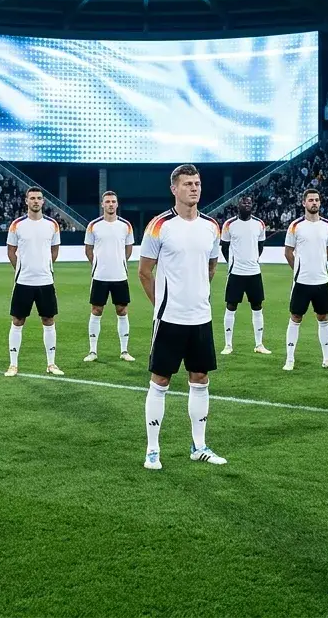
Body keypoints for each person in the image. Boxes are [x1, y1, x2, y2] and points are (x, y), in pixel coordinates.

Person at [138, 164, 227, 470]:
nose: (194, 188)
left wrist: (196, 295)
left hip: (200, 317)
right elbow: (144, 272)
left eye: (197, 183)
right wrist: (161, 305)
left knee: (200, 379)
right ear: (174, 189)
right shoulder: (159, 225)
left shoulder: (211, 226)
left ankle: (198, 446)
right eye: (188, 184)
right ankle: (152, 450)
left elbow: (211, 266)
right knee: (160, 380)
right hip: (169, 318)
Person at [6, 187, 63, 377]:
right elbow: (11, 251)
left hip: (45, 281)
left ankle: (51, 364)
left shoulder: (52, 224)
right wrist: (22, 269)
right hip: (23, 281)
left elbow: (54, 250)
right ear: (26, 201)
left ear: (43, 201)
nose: (36, 201)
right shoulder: (17, 225)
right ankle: (13, 365)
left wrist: (44, 266)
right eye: (32, 198)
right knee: (17, 321)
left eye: (39, 198)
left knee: (49, 320)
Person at [283, 189, 328, 372]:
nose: (314, 203)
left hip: (321, 280)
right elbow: (288, 252)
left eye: (316, 200)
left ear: (320, 203)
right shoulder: (295, 226)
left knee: (324, 318)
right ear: (304, 203)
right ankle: (289, 359)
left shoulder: (327, 225)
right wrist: (299, 269)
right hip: (301, 281)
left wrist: (318, 265)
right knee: (295, 317)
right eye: (310, 200)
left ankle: (327, 359)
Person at [83, 191, 136, 363]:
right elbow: (88, 250)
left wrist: (118, 262)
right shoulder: (93, 225)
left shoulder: (126, 225)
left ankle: (124, 351)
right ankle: (92, 351)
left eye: (113, 201)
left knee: (122, 311)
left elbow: (128, 249)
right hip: (100, 276)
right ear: (102, 204)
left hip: (119, 275)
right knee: (96, 311)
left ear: (117, 204)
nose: (111, 204)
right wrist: (99, 264)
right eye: (107, 201)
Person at [220, 195, 270, 356]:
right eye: (243, 202)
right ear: (238, 205)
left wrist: (252, 260)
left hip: (254, 272)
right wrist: (233, 263)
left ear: (252, 205)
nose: (246, 204)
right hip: (236, 273)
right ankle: (228, 345)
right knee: (231, 306)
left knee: (257, 307)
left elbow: (260, 246)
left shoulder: (259, 224)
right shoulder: (229, 224)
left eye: (249, 202)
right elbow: (225, 247)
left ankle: (259, 344)